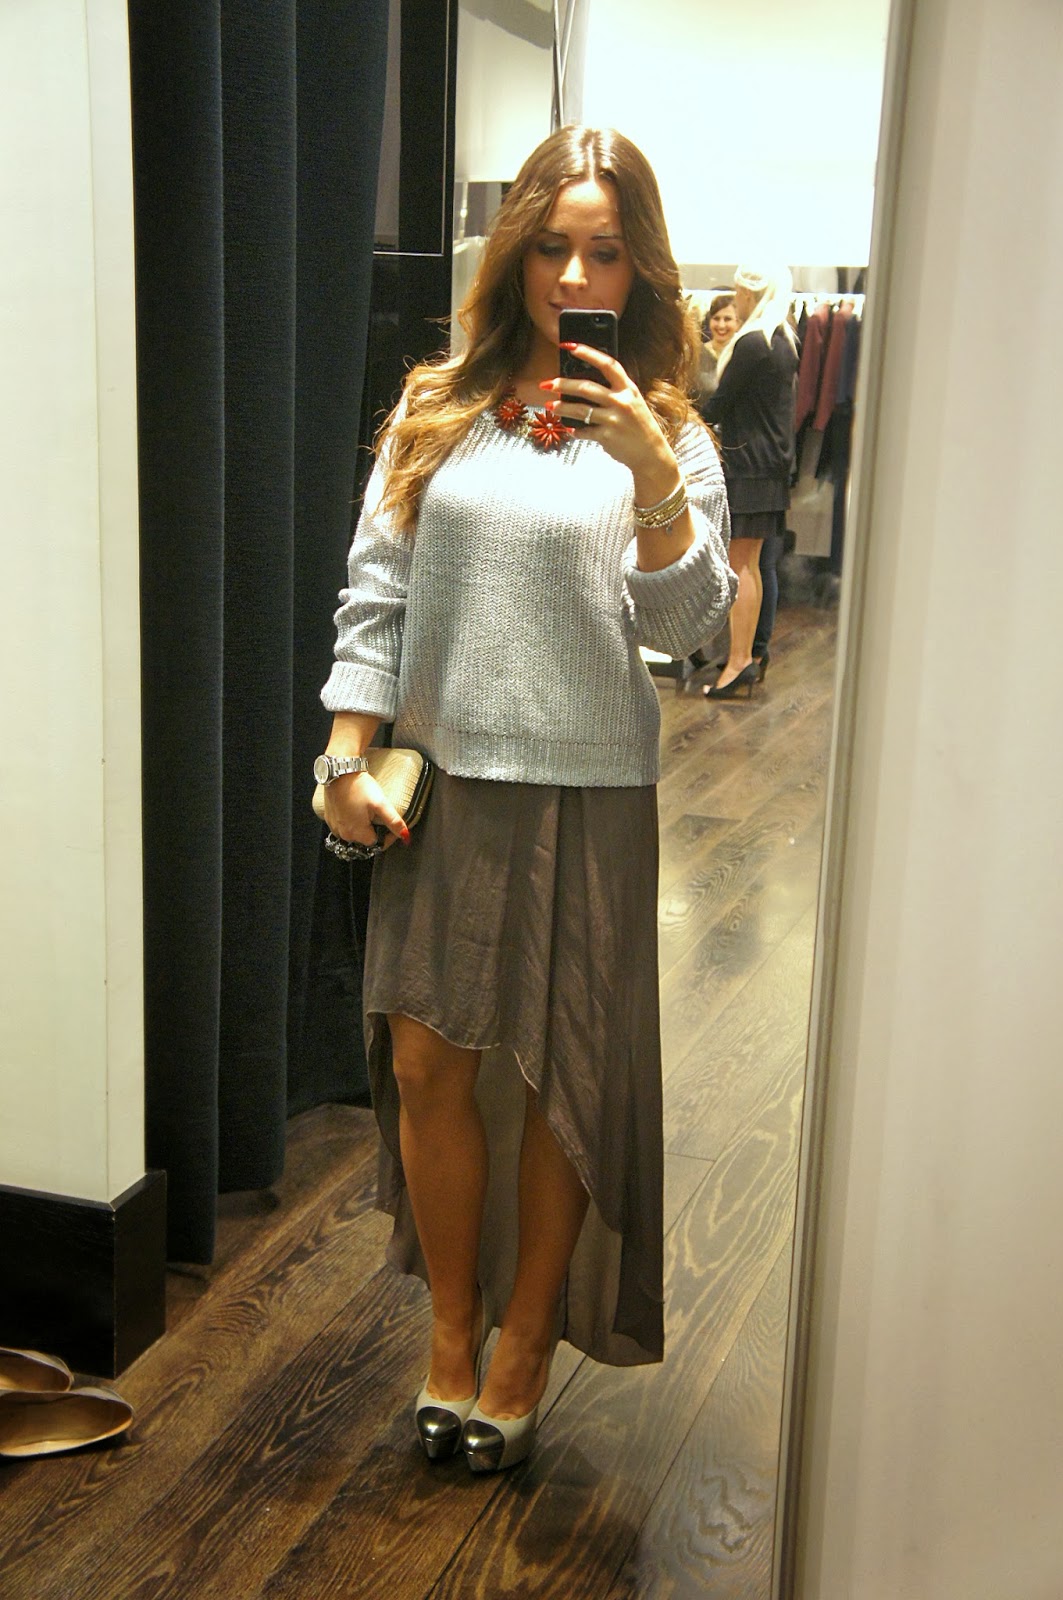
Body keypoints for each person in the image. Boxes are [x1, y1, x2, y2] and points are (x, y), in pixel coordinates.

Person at [316, 125, 735, 1474]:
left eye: (602, 252)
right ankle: (450, 1325)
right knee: (425, 1067)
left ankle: (521, 1343)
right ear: (511, 255)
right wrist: (343, 752)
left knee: (560, 1084)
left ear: (639, 268)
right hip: (438, 787)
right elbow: (375, 594)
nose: (571, 276)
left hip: (587, 793)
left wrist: (652, 481)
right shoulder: (436, 405)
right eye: (549, 246)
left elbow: (687, 630)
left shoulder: (670, 433)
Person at [701, 266, 798, 697]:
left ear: (748, 294)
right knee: (752, 564)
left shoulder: (753, 342)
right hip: (769, 464)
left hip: (748, 463)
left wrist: (686, 421)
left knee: (739, 565)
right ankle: (747, 657)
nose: (737, 300)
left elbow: (721, 403)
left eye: (740, 292)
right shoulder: (782, 338)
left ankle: (738, 660)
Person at [696, 292, 739, 403]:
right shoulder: (696, 354)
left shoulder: (743, 354)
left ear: (738, 322)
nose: (721, 325)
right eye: (716, 318)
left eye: (727, 319)